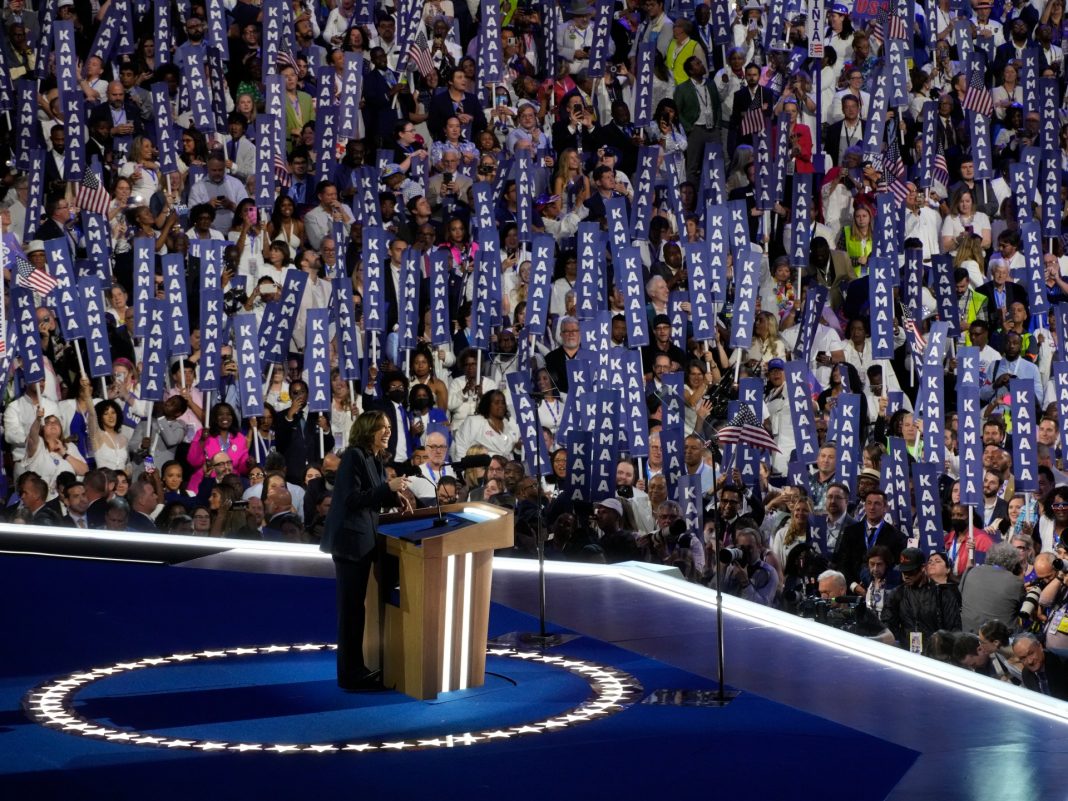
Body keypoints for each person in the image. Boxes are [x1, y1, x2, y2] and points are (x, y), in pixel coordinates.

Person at [320, 411, 413, 692]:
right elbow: (350, 499)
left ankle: (356, 669)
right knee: (351, 612)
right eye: (381, 428)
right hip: (350, 544)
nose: (387, 432)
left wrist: (393, 496)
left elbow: (370, 494)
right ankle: (350, 676)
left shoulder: (374, 458)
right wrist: (388, 487)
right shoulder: (353, 456)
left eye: (388, 427)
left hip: (364, 542)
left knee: (356, 611)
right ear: (367, 430)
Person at [881, 547, 963, 648]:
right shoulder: (897, 594)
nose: (906, 576)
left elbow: (955, 630)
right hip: (907, 653)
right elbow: (887, 625)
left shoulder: (943, 594)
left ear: (923, 568)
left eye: (911, 572)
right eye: (903, 571)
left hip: (935, 655)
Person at [1012, 632, 1068, 699]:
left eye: (1031, 653)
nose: (1030, 661)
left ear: (1040, 646)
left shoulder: (1063, 663)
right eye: (1023, 658)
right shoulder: (1026, 675)